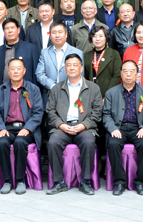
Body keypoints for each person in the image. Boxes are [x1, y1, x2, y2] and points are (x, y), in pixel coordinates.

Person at [46, 54, 103, 196]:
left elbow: (97, 112)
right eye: (68, 65)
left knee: (89, 142)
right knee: (53, 142)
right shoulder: (56, 88)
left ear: (81, 68)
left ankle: (85, 181)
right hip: (63, 127)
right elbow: (50, 111)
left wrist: (84, 125)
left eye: (75, 65)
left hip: (84, 127)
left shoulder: (93, 88)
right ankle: (59, 182)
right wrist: (60, 125)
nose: (71, 68)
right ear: (65, 68)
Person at [0, 58, 44, 195]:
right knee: (1, 143)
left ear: (24, 71)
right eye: (12, 68)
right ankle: (7, 181)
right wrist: (1, 128)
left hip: (26, 128)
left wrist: (27, 128)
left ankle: (20, 180)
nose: (15, 71)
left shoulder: (33, 89)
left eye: (19, 68)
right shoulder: (1, 90)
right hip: (7, 128)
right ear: (8, 71)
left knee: (20, 142)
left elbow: (38, 112)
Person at [103, 60, 143, 196]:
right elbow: (106, 114)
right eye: (125, 71)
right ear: (121, 74)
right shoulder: (111, 92)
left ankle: (140, 183)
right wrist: (113, 129)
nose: (129, 74)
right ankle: (119, 182)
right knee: (113, 144)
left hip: (138, 128)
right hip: (119, 128)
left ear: (137, 74)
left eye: (132, 71)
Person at [0, 18, 38, 105]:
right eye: (7, 28)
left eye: (12, 28)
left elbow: (35, 74)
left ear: (18, 30)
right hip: (3, 96)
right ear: (4, 31)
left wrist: (35, 98)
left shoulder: (30, 48)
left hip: (25, 96)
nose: (10, 31)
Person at [35, 20, 84, 104]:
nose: (57, 35)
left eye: (60, 32)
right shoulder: (45, 52)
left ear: (66, 34)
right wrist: (53, 86)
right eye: (54, 32)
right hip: (49, 95)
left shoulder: (77, 52)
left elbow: (80, 76)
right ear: (50, 35)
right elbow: (39, 74)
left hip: (71, 96)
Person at [84, 25, 122, 98]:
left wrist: (108, 95)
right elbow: (85, 77)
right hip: (91, 94)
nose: (97, 39)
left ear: (106, 38)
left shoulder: (114, 54)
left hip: (109, 94)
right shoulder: (86, 55)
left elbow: (117, 76)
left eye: (101, 36)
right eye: (94, 36)